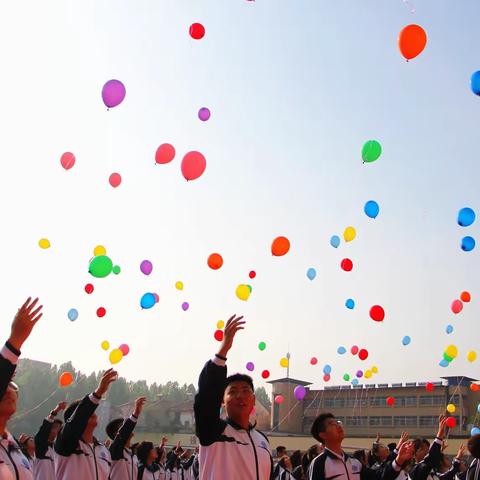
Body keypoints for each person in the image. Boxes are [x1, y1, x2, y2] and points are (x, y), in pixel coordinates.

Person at [194, 314, 273, 479]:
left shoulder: (263, 441)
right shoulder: (213, 431)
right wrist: (224, 349)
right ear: (222, 402)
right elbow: (207, 396)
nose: (239, 395)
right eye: (232, 391)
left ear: (253, 400)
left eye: (245, 391)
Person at [0, 297, 43, 480]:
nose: (9, 390)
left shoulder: (12, 443)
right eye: (5, 384)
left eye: (12, 386)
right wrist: (15, 341)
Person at [54, 368, 118, 479]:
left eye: (91, 411)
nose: (92, 413)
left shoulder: (103, 450)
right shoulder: (65, 443)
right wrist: (98, 393)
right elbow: (77, 420)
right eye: (87, 412)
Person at [308, 413, 413, 480]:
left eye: (338, 423)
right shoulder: (319, 463)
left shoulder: (355, 462)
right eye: (332, 424)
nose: (338, 426)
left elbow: (378, 477)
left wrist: (399, 460)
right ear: (323, 435)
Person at [108, 396, 147, 480]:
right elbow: (123, 433)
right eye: (122, 426)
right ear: (116, 434)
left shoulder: (133, 454)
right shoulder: (116, 450)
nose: (128, 429)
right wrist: (135, 414)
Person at [33, 401, 67, 480]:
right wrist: (56, 410)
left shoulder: (57, 449)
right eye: (56, 427)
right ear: (49, 429)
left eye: (60, 428)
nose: (59, 430)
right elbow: (45, 427)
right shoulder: (41, 445)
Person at [409, 416, 448, 480]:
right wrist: (439, 435)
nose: (426, 451)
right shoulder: (415, 470)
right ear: (413, 455)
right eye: (422, 449)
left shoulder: (432, 472)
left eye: (428, 449)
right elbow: (429, 459)